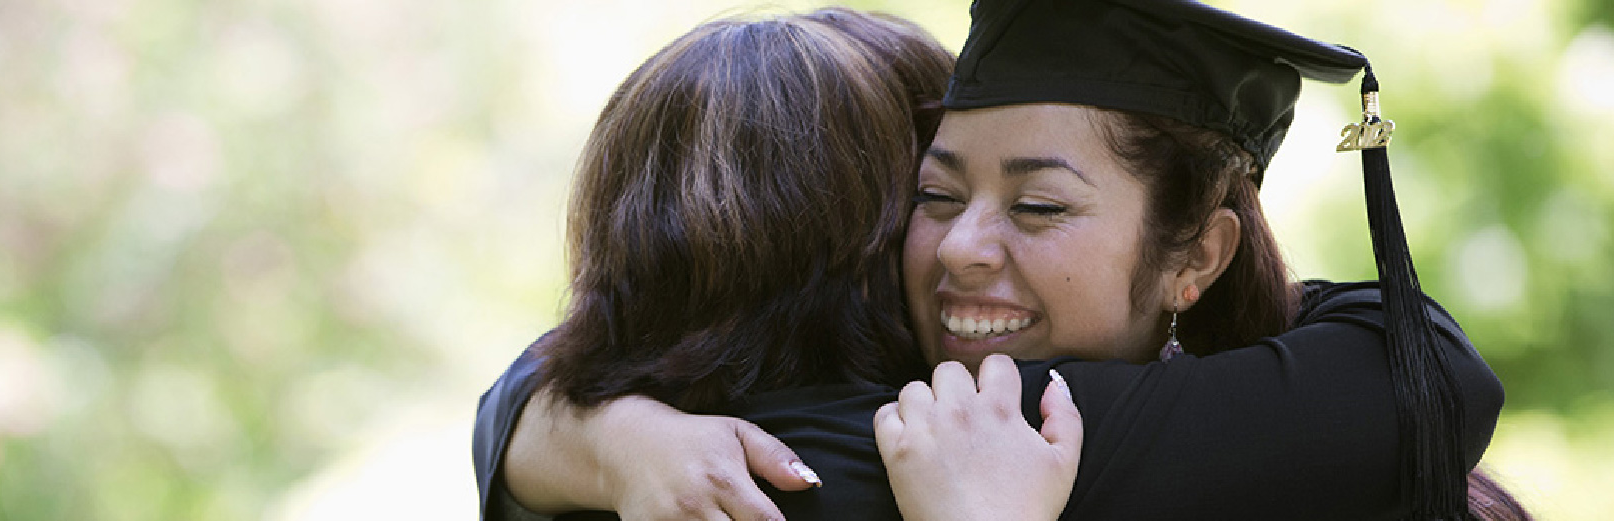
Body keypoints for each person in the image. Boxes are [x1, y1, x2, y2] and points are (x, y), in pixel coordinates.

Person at [476, 0, 1517, 519]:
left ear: (1197, 251)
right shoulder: (929, 438)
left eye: (1038, 204)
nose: (962, 244)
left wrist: (586, 427)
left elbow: (522, 385)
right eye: (932, 196)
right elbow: (1420, 368)